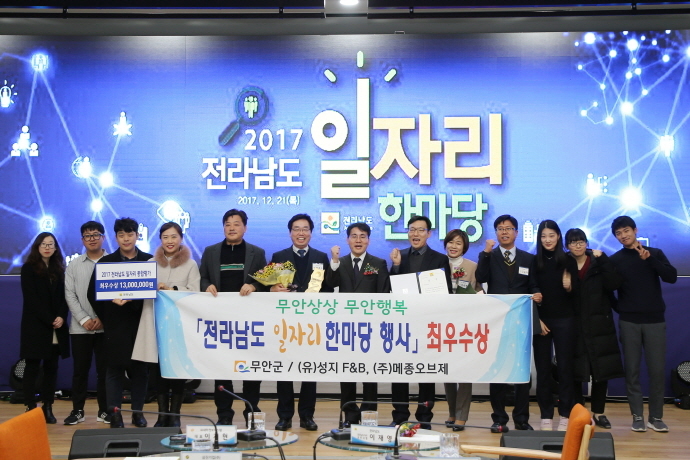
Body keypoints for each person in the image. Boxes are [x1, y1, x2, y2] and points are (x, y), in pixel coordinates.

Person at [609, 216, 677, 432]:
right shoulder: (616, 260)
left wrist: (650, 260)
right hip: (629, 322)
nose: (623, 236)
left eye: (626, 231)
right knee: (632, 370)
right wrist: (621, 308)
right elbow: (607, 289)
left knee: (657, 370)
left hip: (655, 321)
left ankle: (655, 417)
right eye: (618, 233)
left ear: (635, 230)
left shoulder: (654, 253)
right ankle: (637, 415)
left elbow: (671, 277)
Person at [200, 209, 266, 426]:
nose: (231, 228)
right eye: (227, 224)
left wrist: (254, 286)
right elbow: (202, 277)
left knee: (251, 368)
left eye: (236, 224)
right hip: (220, 319)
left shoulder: (257, 252)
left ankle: (251, 412)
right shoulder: (210, 251)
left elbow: (265, 283)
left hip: (248, 320)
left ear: (245, 228)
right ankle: (224, 415)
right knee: (222, 369)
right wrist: (206, 285)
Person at [475, 214, 541, 432]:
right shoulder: (489, 256)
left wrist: (537, 294)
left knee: (522, 371)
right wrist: (485, 253)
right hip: (498, 320)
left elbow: (533, 285)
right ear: (496, 233)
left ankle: (522, 419)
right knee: (498, 369)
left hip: (521, 320)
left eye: (509, 228)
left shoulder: (528, 258)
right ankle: (499, 419)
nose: (504, 232)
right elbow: (481, 277)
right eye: (500, 229)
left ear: (516, 232)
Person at [132, 222, 200, 427]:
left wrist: (172, 289)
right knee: (158, 371)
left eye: (174, 237)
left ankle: (175, 415)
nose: (170, 241)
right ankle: (162, 416)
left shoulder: (191, 264)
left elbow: (195, 291)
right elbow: (139, 289)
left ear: (181, 238)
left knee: (177, 369)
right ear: (160, 239)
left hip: (179, 324)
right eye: (165, 237)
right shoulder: (150, 263)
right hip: (154, 322)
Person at [269, 213, 333, 431]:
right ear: (290, 233)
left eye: (305, 229)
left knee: (309, 370)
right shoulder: (279, 256)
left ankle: (307, 416)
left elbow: (327, 288)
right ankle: (284, 416)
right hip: (286, 322)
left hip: (312, 323)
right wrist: (272, 288)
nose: (301, 233)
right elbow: (269, 286)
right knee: (284, 370)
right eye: (296, 229)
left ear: (311, 233)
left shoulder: (321, 257)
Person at [88, 217, 153, 428]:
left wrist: (136, 300)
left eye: (130, 234)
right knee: (113, 371)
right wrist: (109, 307)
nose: (126, 238)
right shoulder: (105, 263)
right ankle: (114, 414)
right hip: (115, 326)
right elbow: (92, 293)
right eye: (121, 235)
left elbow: (154, 294)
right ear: (116, 237)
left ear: (137, 235)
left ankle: (138, 413)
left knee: (140, 372)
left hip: (141, 325)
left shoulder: (148, 261)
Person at [326, 222, 391, 426]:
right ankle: (350, 415)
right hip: (346, 327)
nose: (358, 240)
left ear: (368, 240)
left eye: (363, 236)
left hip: (370, 328)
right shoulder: (339, 262)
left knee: (370, 373)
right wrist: (334, 262)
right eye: (354, 236)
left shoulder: (378, 263)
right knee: (347, 373)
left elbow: (384, 294)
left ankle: (369, 414)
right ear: (347, 240)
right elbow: (329, 285)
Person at [388, 215, 451, 426]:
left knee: (426, 372)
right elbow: (391, 288)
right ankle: (399, 416)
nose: (415, 234)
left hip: (427, 323)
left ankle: (424, 417)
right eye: (412, 229)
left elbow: (445, 293)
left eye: (420, 230)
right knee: (400, 371)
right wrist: (396, 266)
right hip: (402, 323)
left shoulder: (440, 259)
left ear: (429, 234)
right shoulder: (400, 256)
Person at [565, 228, 623, 429]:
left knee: (601, 370)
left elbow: (614, 283)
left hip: (599, 323)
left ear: (587, 243)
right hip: (574, 324)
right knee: (576, 371)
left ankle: (599, 412)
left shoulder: (598, 261)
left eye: (581, 241)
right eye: (573, 242)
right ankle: (579, 413)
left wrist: (604, 260)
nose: (578, 245)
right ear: (567, 246)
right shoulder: (564, 264)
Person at [20, 232, 70, 423]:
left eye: (51, 244)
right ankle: (30, 407)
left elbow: (65, 297)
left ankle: (48, 406)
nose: (47, 247)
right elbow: (31, 299)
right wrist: (50, 319)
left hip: (56, 326)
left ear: (56, 248)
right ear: (37, 246)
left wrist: (61, 316)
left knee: (52, 367)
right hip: (36, 326)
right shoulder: (28, 268)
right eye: (44, 244)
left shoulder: (60, 269)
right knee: (32, 367)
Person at [533, 220, 578, 431]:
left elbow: (578, 293)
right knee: (542, 370)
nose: (548, 240)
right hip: (542, 322)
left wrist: (570, 287)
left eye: (551, 235)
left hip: (565, 320)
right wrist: (537, 319)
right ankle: (546, 415)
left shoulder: (569, 261)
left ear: (558, 236)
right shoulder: (534, 261)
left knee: (565, 369)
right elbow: (531, 290)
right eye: (543, 236)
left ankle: (566, 414)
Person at [63, 221, 108, 425]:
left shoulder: (113, 262)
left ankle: (105, 410)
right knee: (80, 372)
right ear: (82, 240)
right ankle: (77, 410)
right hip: (80, 328)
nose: (92, 239)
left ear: (103, 237)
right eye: (87, 236)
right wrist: (84, 319)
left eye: (96, 235)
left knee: (105, 372)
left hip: (106, 328)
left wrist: (102, 318)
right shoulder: (74, 264)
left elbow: (118, 294)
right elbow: (69, 295)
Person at [442, 229, 483, 431]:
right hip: (442, 325)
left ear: (464, 246)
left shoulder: (472, 266)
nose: (454, 246)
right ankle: (452, 411)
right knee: (447, 371)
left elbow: (480, 291)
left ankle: (462, 416)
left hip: (466, 325)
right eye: (451, 242)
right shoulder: (438, 265)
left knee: (465, 371)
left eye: (458, 243)